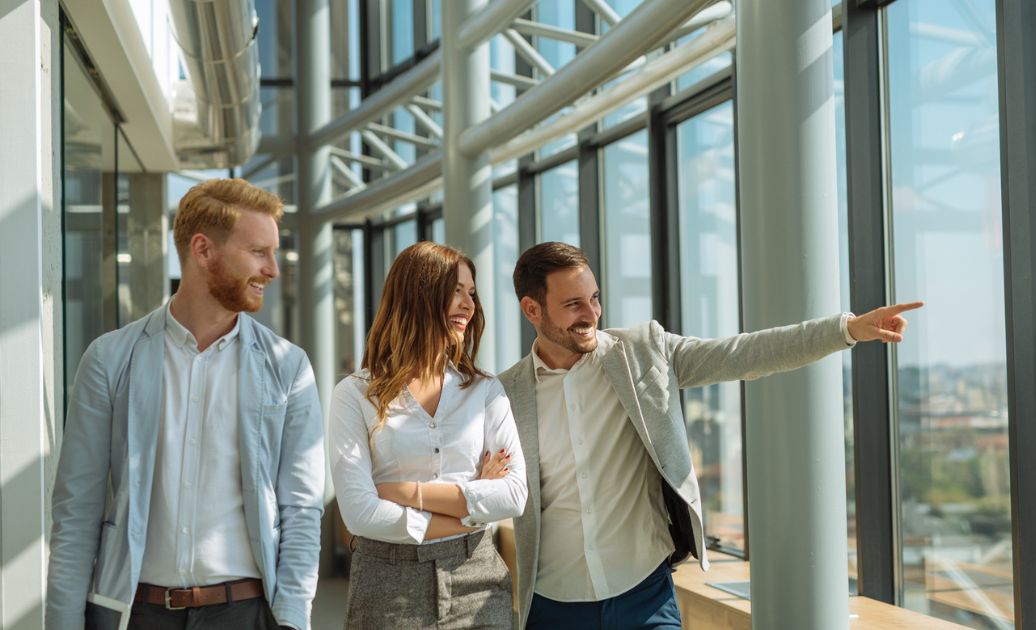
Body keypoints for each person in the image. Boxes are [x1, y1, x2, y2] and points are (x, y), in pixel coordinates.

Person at [499, 242, 923, 629]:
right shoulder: (505, 395)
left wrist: (845, 330)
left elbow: (743, 354)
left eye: (594, 299)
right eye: (573, 304)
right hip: (554, 603)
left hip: (643, 593)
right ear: (532, 310)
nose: (591, 314)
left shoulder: (644, 353)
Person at [46, 179, 325, 630]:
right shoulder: (109, 359)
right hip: (133, 614)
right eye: (259, 252)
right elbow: (76, 512)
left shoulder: (288, 367)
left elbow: (302, 507)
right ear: (203, 249)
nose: (273, 269)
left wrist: (292, 618)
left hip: (248, 614)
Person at [330, 241, 528, 629]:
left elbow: (513, 495)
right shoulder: (354, 395)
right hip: (388, 585)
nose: (469, 305)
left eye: (471, 293)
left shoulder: (485, 391)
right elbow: (361, 514)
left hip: (479, 577)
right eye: (456, 290)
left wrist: (408, 493)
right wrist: (472, 511)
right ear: (417, 293)